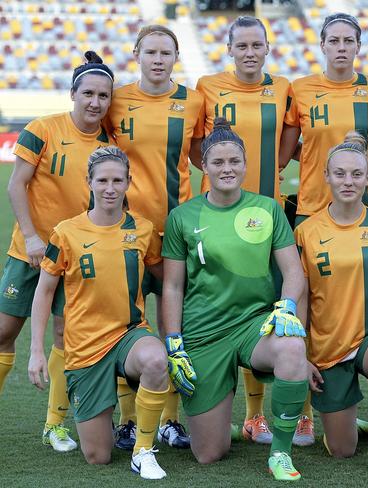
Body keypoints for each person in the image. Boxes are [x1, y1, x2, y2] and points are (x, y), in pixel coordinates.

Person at [161, 119, 309, 481]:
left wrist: (286, 306)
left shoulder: (269, 208)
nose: (227, 169)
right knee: (209, 454)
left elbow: (294, 272)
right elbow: (172, 288)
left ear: (245, 165)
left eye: (234, 162)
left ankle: (281, 453)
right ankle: (221, 419)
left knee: (292, 348)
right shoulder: (182, 217)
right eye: (218, 162)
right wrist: (174, 344)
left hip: (253, 325)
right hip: (204, 333)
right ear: (204, 166)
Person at [194, 16, 313, 446]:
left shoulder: (283, 88)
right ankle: (242, 414)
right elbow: (195, 145)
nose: (249, 52)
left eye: (256, 45)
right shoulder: (207, 86)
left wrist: (276, 169)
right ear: (229, 49)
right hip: (223, 219)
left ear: (267, 48)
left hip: (271, 216)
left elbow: (290, 138)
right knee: (227, 306)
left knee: (276, 309)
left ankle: (270, 414)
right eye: (241, 45)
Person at [27, 146, 170, 480]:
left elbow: (168, 280)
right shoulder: (66, 232)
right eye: (103, 180)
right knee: (98, 456)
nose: (110, 187)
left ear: (127, 183)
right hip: (85, 348)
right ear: (89, 182)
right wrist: (36, 351)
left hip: (129, 335)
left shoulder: (143, 230)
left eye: (117, 180)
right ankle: (107, 417)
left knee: (155, 359)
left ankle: (143, 450)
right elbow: (45, 291)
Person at [0, 51, 114, 452]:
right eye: (88, 93)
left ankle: (54, 425)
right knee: (3, 332)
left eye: (103, 95)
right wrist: (32, 237)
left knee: (66, 335)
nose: (95, 102)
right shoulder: (42, 128)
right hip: (28, 251)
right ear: (73, 93)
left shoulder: (108, 144)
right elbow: (17, 185)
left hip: (74, 256)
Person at [106, 24, 205, 451]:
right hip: (124, 231)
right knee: (126, 322)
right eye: (151, 52)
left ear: (176, 57)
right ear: (137, 54)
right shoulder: (117, 100)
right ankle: (128, 421)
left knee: (172, 324)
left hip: (173, 231)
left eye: (167, 52)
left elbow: (205, 159)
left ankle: (169, 419)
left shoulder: (193, 101)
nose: (159, 59)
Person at [295, 132, 368, 479]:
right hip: (328, 346)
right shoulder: (307, 230)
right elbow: (300, 296)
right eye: (341, 173)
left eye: (357, 174)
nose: (349, 181)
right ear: (326, 176)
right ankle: (352, 420)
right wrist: (302, 351)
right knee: (342, 451)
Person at [282, 12, 368, 227]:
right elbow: (285, 152)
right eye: (334, 41)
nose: (342, 47)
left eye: (348, 41)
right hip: (313, 205)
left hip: (365, 206)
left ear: (358, 46)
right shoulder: (300, 89)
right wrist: (314, 155)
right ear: (322, 45)